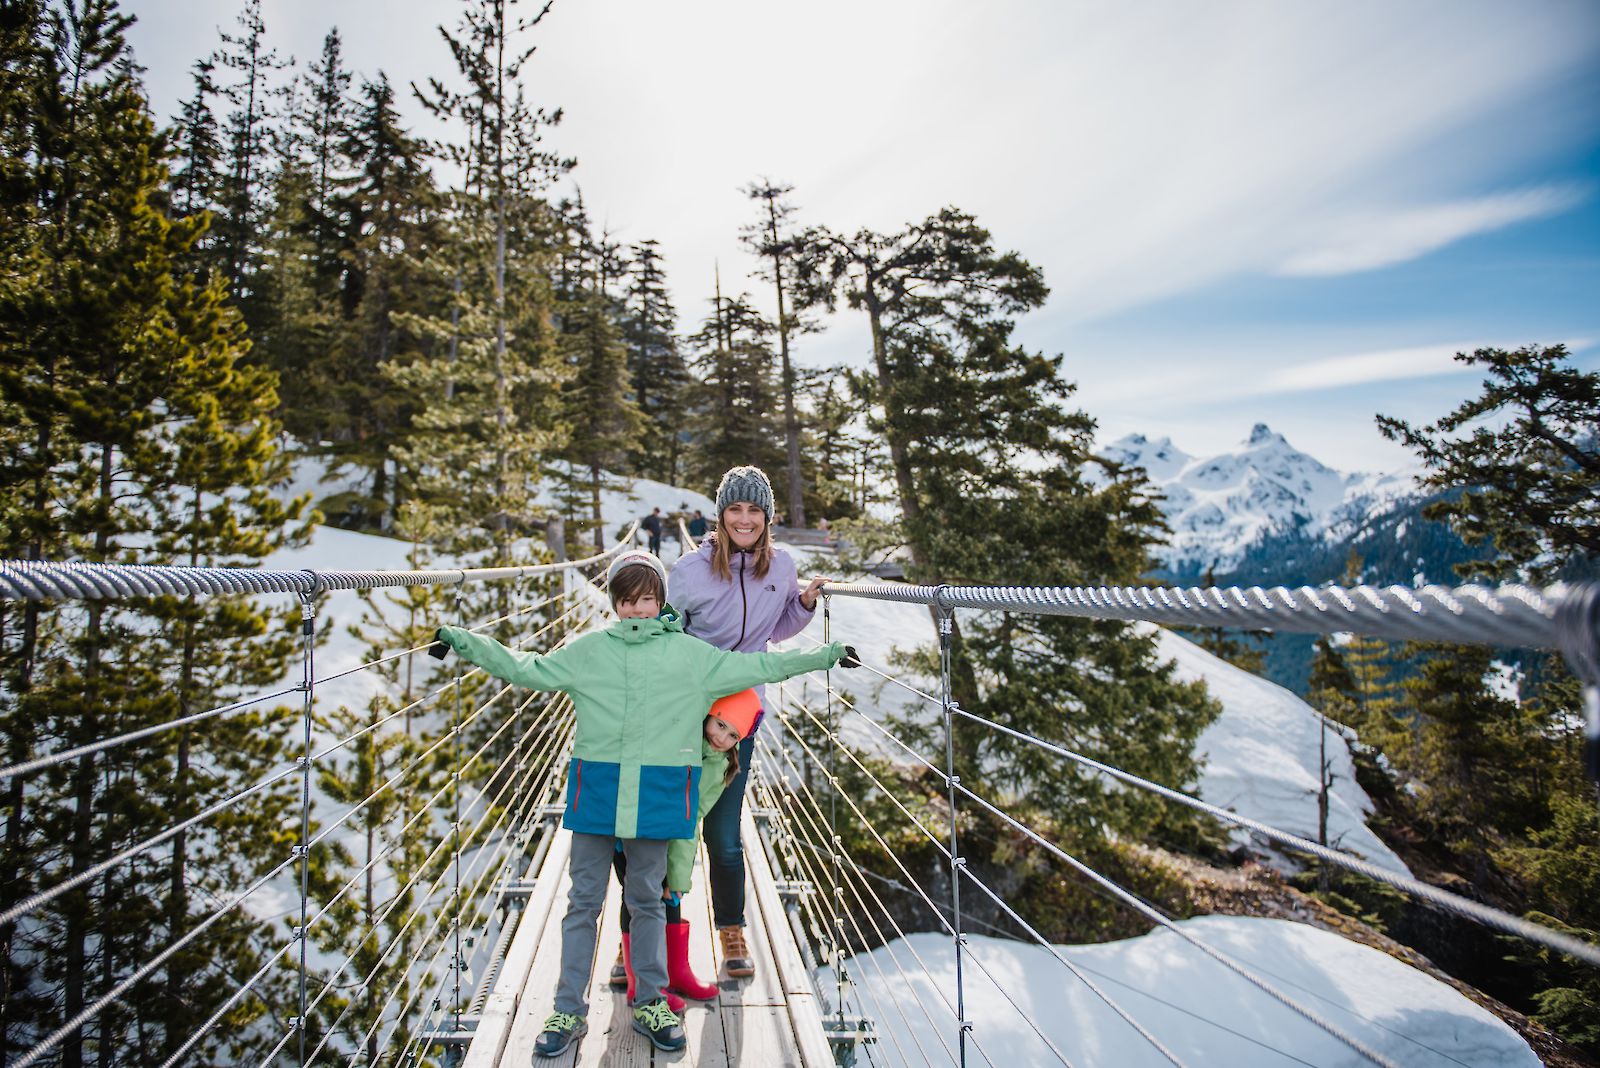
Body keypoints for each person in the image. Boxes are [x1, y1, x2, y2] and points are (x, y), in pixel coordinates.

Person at [430, 549, 853, 1057]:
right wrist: (465, 643)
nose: (637, 610)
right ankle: (567, 1008)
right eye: (627, 600)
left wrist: (825, 654)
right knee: (583, 903)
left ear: (661, 600)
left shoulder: (693, 656)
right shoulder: (589, 651)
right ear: (614, 603)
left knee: (648, 900)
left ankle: (651, 999)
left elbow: (762, 663)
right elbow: (529, 669)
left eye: (648, 599)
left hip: (655, 794)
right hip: (600, 792)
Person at [665, 466, 829, 979]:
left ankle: (730, 931)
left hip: (740, 708)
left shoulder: (782, 567)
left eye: (753, 510)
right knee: (665, 823)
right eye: (734, 509)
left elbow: (775, 629)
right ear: (720, 515)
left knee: (723, 829)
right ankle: (644, 937)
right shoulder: (688, 571)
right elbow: (666, 633)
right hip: (686, 704)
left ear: (767, 517)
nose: (744, 519)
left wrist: (803, 605)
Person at [611, 687, 763, 1006]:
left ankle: (674, 972)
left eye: (733, 735)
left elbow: (689, 820)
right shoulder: (680, 740)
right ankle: (642, 982)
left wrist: (678, 877)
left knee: (667, 897)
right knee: (638, 898)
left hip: (671, 838)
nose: (722, 738)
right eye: (719, 725)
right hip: (635, 828)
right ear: (706, 716)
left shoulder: (721, 766)